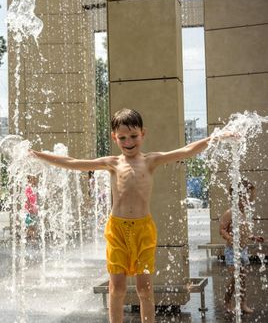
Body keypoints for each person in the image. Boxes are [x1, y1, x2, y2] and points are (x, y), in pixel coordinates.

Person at [30, 108, 233, 323]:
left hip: (143, 231)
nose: (128, 142)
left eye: (133, 136)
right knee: (116, 289)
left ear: (143, 134)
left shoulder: (150, 160)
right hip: (117, 230)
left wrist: (215, 137)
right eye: (123, 137)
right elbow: (73, 163)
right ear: (114, 137)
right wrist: (38, 155)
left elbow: (186, 150)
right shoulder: (112, 163)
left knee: (144, 289)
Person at [219, 178, 264, 314]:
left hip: (243, 250)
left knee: (243, 278)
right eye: (247, 195)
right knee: (236, 278)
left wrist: (253, 237)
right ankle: (227, 302)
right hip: (232, 251)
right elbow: (221, 229)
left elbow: (244, 231)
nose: (250, 198)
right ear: (238, 195)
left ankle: (243, 304)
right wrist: (230, 238)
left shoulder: (244, 213)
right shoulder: (230, 212)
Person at [24, 175, 39, 241]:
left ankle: (32, 238)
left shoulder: (33, 188)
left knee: (33, 225)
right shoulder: (28, 188)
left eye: (34, 178)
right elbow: (28, 200)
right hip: (30, 210)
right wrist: (30, 209)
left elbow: (34, 199)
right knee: (30, 226)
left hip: (33, 210)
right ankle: (31, 238)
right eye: (33, 179)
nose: (34, 180)